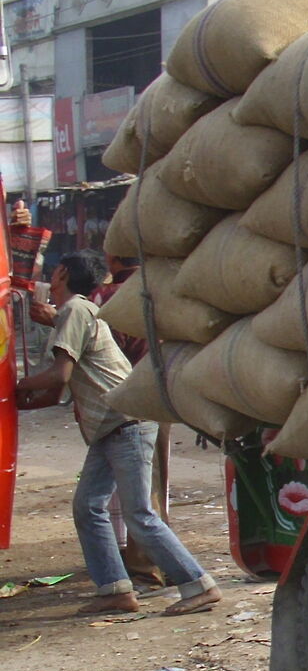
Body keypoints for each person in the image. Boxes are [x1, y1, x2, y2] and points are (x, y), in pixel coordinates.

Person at [16, 251, 221, 617]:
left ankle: (198, 584)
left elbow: (59, 377)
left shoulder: (75, 310)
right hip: (112, 426)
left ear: (61, 273)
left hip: (125, 423)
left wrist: (19, 384)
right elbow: (60, 387)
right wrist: (18, 401)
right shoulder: (78, 312)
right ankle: (114, 588)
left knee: (139, 513)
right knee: (88, 506)